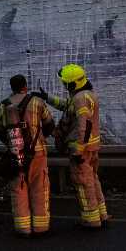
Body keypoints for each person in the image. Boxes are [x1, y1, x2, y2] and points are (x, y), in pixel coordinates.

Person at [41, 63, 108, 228]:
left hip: (82, 151)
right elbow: (67, 106)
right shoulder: (85, 95)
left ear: (72, 84)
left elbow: (84, 126)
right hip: (91, 148)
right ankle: (101, 214)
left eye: (65, 83)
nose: (64, 85)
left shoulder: (80, 99)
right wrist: (47, 97)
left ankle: (91, 220)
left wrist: (78, 150)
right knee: (92, 180)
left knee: (83, 183)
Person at [0, 74, 54, 237]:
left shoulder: (2, 106)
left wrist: (12, 145)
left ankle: (23, 228)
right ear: (25, 86)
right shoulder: (37, 102)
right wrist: (39, 138)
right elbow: (49, 125)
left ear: (12, 88)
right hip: (37, 153)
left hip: (15, 154)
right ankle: (41, 227)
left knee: (18, 189)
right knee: (39, 188)